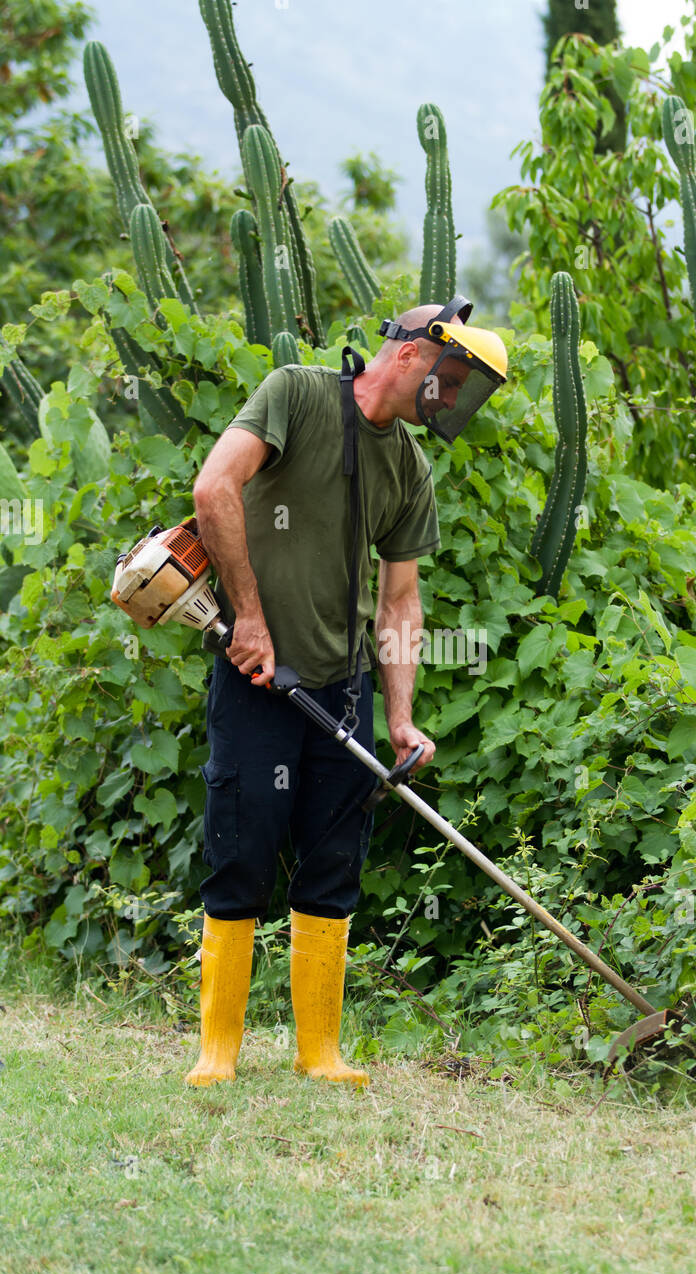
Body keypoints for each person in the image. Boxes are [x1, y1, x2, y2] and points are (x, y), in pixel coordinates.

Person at [184, 297, 507, 1089]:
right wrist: (250, 622)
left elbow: (401, 602)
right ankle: (217, 1051)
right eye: (452, 376)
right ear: (406, 356)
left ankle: (318, 1052)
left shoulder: (408, 466)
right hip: (255, 675)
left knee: (333, 863)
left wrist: (399, 717)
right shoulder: (294, 393)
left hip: (343, 690)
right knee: (242, 850)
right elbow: (213, 489)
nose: (454, 396)